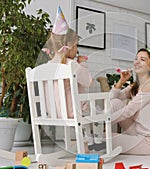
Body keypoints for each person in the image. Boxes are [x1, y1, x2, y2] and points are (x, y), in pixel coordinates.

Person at [42, 6, 103, 146]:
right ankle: (98, 140)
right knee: (97, 111)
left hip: (52, 112)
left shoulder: (45, 68)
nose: (77, 50)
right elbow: (89, 82)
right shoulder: (72, 65)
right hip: (72, 112)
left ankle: (86, 138)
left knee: (85, 106)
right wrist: (83, 64)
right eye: (76, 46)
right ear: (69, 46)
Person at [110, 39, 150, 155]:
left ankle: (93, 132)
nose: (137, 62)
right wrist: (121, 81)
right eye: (136, 59)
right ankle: (94, 132)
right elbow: (113, 98)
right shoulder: (136, 85)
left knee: (102, 139)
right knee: (116, 102)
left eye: (142, 60)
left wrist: (103, 122)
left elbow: (128, 111)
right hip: (138, 132)